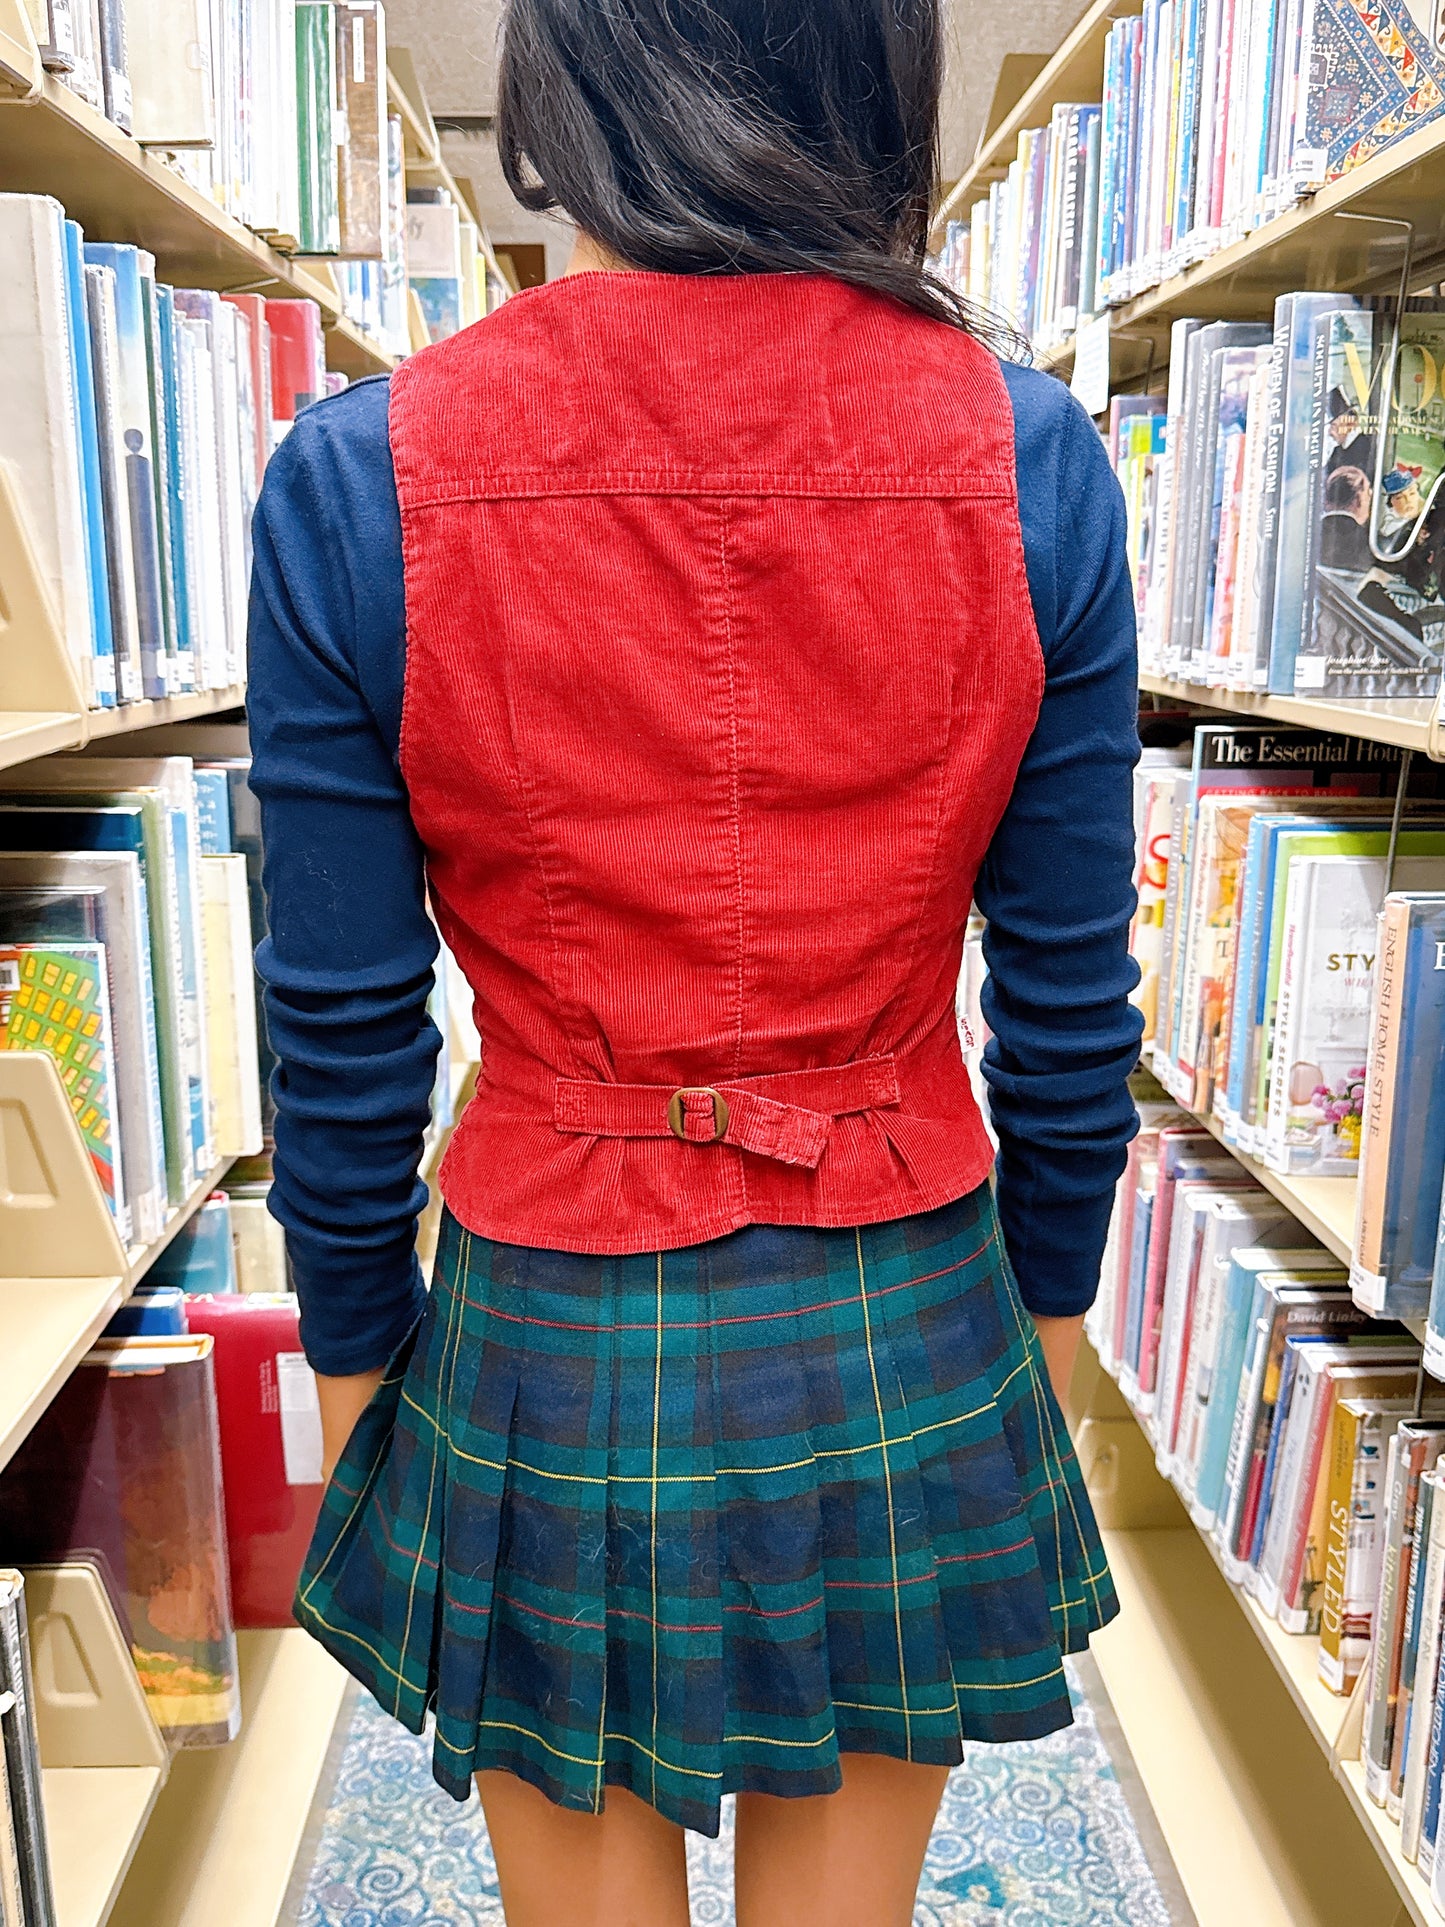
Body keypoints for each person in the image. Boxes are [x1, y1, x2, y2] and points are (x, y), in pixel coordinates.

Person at [247, 2, 1141, 1922]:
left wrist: (351, 1354)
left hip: (545, 1316)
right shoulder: (1034, 459)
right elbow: (1067, 997)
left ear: (566, 82)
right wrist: (1045, 1326)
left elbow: (339, 1023)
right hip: (902, 1293)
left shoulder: (358, 474)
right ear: (884, 75)